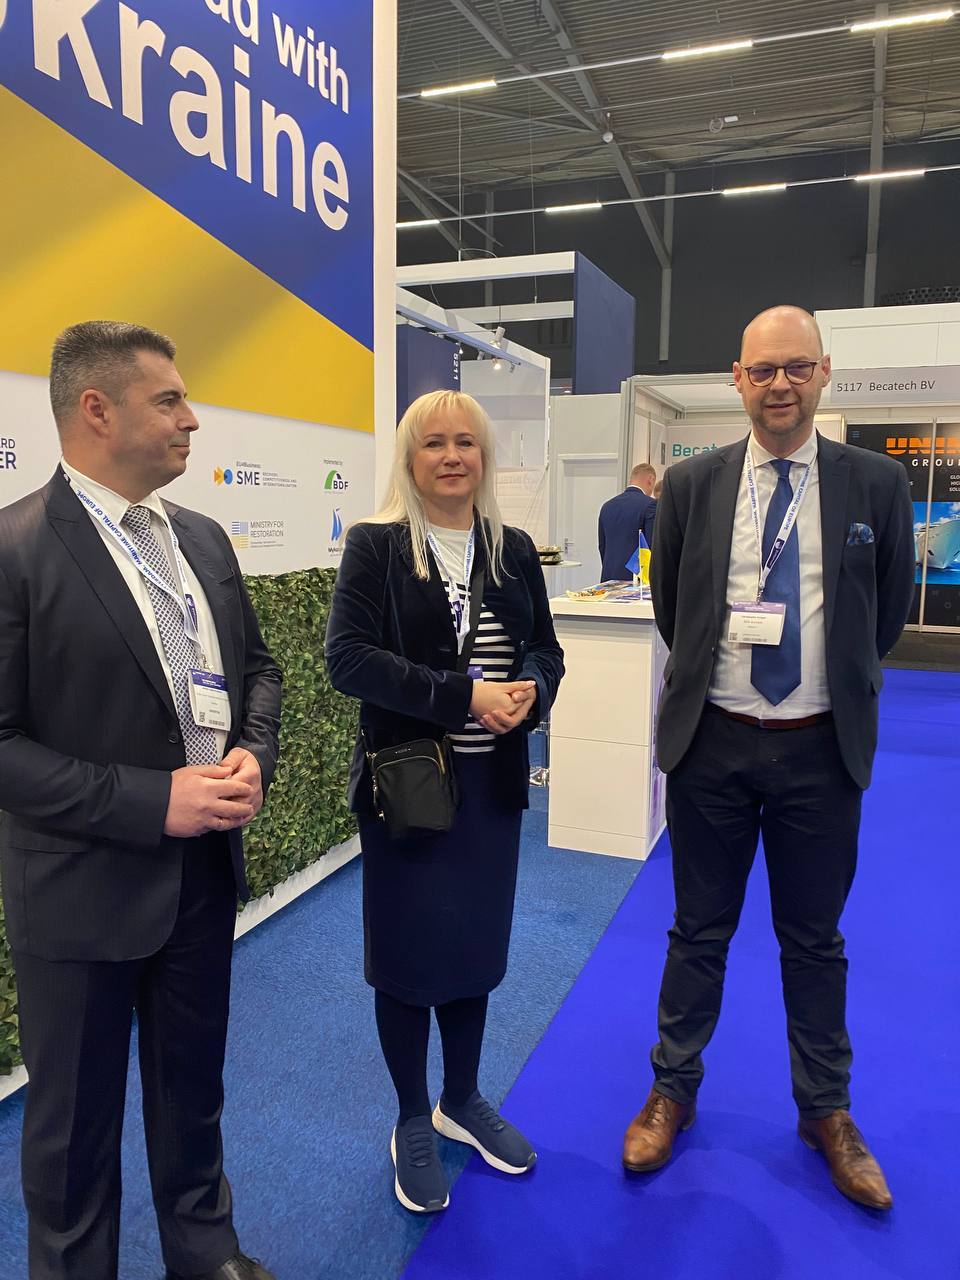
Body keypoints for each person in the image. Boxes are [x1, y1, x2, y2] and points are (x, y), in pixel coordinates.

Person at [0, 322, 283, 1280]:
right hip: (78, 892)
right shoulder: (14, 549)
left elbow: (258, 671)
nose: (191, 418)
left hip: (201, 879)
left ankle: (205, 1252)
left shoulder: (200, 538)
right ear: (96, 410)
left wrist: (252, 754)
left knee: (192, 1092)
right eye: (168, 400)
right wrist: (149, 801)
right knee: (73, 1131)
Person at [622, 306, 914, 1210]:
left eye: (795, 367)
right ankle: (673, 1090)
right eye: (762, 370)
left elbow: (888, 612)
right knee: (697, 932)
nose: (779, 384)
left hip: (821, 750)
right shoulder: (693, 485)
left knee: (814, 941)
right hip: (713, 745)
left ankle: (826, 1110)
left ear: (823, 372)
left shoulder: (875, 484)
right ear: (736, 379)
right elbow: (676, 609)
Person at [325, 389, 564, 1215]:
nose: (453, 456)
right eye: (434, 443)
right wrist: (466, 697)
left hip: (492, 794)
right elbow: (349, 660)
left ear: (484, 456)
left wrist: (531, 689)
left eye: (466, 441)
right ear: (410, 458)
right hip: (409, 793)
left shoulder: (513, 549)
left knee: (473, 952)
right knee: (405, 960)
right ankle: (409, 1117)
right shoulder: (377, 545)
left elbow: (545, 649)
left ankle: (460, 1099)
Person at [598, 463, 658, 580]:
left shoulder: (607, 506)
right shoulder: (650, 505)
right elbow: (651, 545)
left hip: (609, 577)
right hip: (636, 579)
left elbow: (602, 546)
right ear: (650, 480)